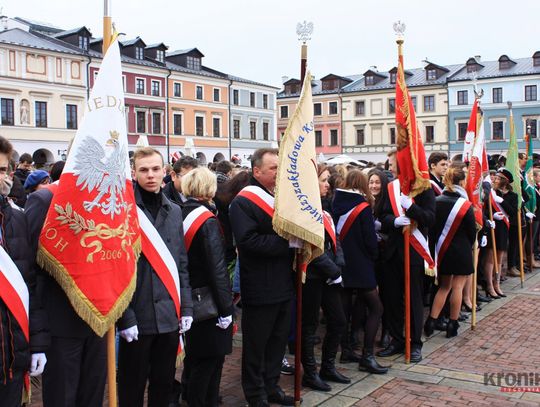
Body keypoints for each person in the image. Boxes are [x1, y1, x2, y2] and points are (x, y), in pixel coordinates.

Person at [117, 147, 193, 407]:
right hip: (137, 318)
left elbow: (181, 264)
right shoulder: (123, 211)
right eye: (144, 170)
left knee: (163, 385)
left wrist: (186, 309)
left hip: (169, 317)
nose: (150, 175)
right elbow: (116, 270)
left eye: (155, 169)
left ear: (165, 172)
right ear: (134, 173)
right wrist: (125, 317)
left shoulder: (174, 211)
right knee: (131, 387)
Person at [26, 173, 107, 407]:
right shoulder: (43, 200)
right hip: (60, 320)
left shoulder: (104, 201)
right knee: (62, 398)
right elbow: (29, 266)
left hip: (98, 319)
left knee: (92, 397)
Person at [229, 148, 295, 407]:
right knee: (257, 346)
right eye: (273, 169)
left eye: (280, 167)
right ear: (257, 171)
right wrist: (288, 242)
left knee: (277, 343)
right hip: (259, 285)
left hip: (282, 283)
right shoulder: (243, 202)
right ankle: (255, 395)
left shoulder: (278, 197)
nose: (279, 173)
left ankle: (272, 386)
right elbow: (248, 242)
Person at [0, 136, 48, 406]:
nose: (0, 176)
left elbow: (31, 284)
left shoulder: (18, 218)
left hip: (12, 357)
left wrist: (37, 343)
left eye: (3, 169)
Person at [180, 167, 233, 407]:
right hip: (207, 300)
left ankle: (192, 397)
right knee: (210, 360)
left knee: (194, 356)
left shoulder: (180, 212)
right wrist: (226, 308)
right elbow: (217, 268)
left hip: (189, 295)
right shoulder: (206, 220)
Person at [378, 150, 435, 363]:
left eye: (393, 164)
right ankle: (396, 339)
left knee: (414, 299)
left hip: (413, 252)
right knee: (392, 300)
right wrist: (393, 220)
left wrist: (411, 208)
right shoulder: (391, 187)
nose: (390, 168)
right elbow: (381, 215)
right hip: (392, 252)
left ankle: (415, 342)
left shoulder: (424, 188)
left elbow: (430, 219)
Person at [333, 169, 387, 374]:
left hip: (341, 263)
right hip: (361, 265)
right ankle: (367, 355)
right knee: (376, 308)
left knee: (345, 310)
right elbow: (370, 240)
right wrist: (374, 254)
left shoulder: (335, 202)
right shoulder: (363, 207)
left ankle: (346, 350)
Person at [301, 164, 349, 392]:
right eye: (323, 180)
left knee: (338, 320)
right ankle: (309, 373)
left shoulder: (326, 209)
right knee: (308, 327)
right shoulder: (303, 212)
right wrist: (333, 271)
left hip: (329, 276)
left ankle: (327, 367)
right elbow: (311, 250)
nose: (327, 184)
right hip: (312, 277)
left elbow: (335, 241)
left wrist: (338, 267)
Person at [424, 162, 476, 338]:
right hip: (461, 250)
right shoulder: (465, 205)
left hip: (442, 250)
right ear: (461, 183)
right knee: (458, 287)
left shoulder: (436, 201)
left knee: (444, 287)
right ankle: (452, 325)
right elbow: (471, 231)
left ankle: (431, 321)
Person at [483, 168, 517, 298]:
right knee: (490, 257)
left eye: (498, 178)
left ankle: (497, 284)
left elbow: (513, 212)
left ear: (505, 181)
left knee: (499, 257)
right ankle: (489, 285)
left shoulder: (512, 196)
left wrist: (501, 201)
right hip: (493, 226)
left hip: (503, 227)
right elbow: (484, 209)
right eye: (495, 177)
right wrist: (491, 216)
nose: (495, 180)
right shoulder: (491, 192)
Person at [368, 169, 391, 348]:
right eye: (371, 182)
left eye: (377, 182)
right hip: (369, 256)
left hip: (385, 256)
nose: (374, 186)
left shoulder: (388, 203)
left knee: (386, 295)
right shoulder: (364, 202)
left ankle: (386, 331)